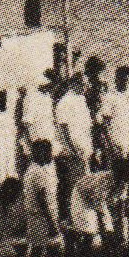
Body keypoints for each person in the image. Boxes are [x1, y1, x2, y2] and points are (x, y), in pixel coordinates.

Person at [22, 139, 62, 257]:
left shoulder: (35, 169)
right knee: (53, 251)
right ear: (41, 153)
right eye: (49, 151)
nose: (51, 155)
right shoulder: (37, 172)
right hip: (42, 218)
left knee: (37, 251)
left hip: (39, 217)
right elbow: (42, 201)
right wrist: (52, 223)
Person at [53, 74, 92, 221]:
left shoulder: (81, 100)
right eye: (83, 84)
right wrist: (72, 150)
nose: (86, 87)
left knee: (82, 186)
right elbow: (63, 129)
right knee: (72, 187)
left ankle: (80, 219)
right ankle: (70, 221)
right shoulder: (65, 102)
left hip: (83, 151)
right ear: (74, 84)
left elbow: (86, 127)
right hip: (71, 153)